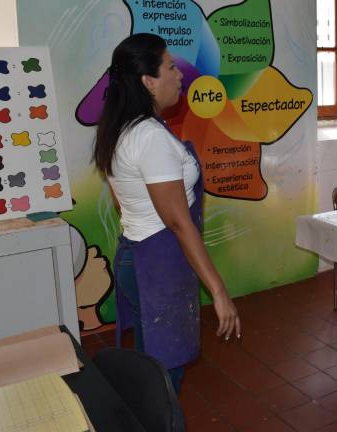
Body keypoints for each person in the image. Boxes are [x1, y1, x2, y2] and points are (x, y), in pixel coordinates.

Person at [93, 33, 240, 395]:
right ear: (148, 81)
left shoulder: (126, 128)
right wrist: (219, 292)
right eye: (171, 67)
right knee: (163, 376)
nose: (180, 76)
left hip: (141, 253)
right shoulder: (149, 137)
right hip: (157, 262)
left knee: (151, 367)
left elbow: (122, 198)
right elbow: (176, 221)